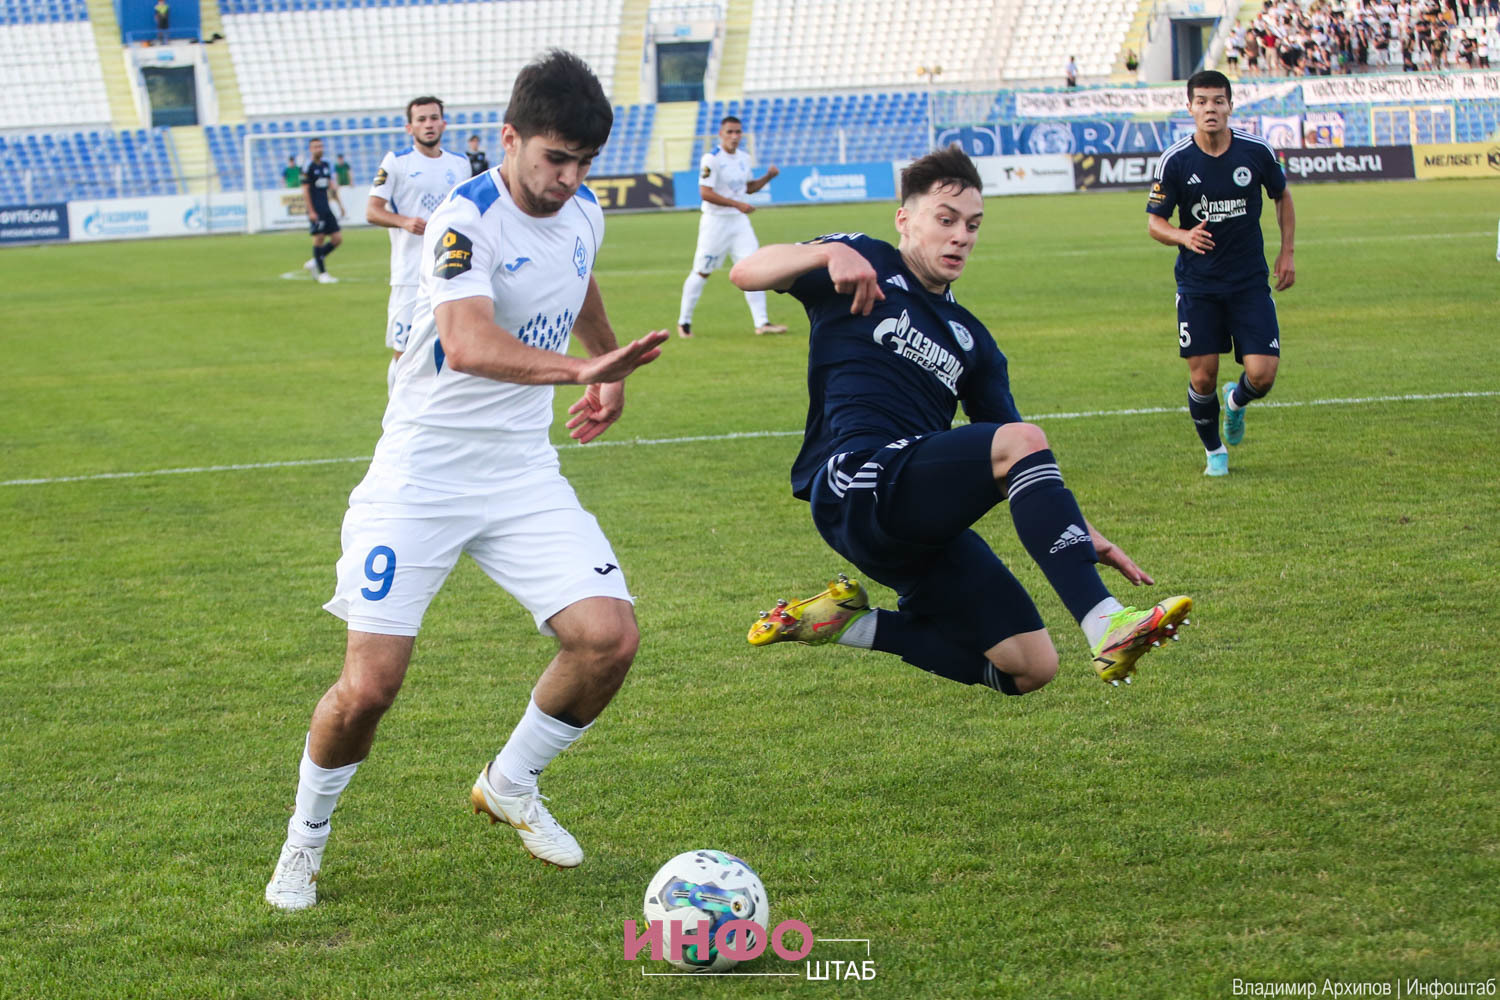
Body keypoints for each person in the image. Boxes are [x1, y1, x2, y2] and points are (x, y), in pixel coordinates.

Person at [264, 50, 669, 912]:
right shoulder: (465, 219)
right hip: (421, 476)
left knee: (609, 637)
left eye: (584, 163)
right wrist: (583, 366)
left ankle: (510, 781)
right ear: (510, 139)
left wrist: (610, 372)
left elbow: (580, 273)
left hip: (521, 472)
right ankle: (304, 841)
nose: (568, 180)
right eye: (554, 159)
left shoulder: (584, 207)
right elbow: (470, 343)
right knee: (369, 687)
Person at [728, 146, 1192, 699]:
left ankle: (850, 624)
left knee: (1029, 667)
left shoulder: (973, 339)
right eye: (945, 220)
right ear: (905, 219)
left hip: (915, 520)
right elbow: (745, 272)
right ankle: (1105, 623)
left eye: (972, 225)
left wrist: (1080, 532)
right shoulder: (864, 259)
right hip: (855, 480)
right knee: (1020, 442)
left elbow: (1022, 462)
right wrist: (827, 253)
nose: (961, 236)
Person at [1146, 70, 1294, 478]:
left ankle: (1236, 402)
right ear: (1189, 107)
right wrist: (1183, 236)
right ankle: (1215, 451)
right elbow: (1154, 223)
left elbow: (1282, 196)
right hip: (1199, 286)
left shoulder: (1255, 151)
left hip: (1249, 283)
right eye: (1203, 102)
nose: (1211, 108)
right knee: (1203, 375)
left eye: (1218, 101)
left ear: (1231, 105)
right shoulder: (1175, 160)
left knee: (1262, 375)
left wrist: (1287, 252)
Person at [366, 96, 471, 390]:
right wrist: (404, 222)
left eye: (434, 118)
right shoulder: (396, 162)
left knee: (453, 347)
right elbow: (372, 210)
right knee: (404, 349)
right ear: (409, 127)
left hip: (451, 271)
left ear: (444, 123)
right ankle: (396, 419)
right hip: (410, 273)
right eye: (421, 119)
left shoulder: (460, 164)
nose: (428, 124)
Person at [675, 116, 786, 338]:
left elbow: (749, 187)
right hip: (715, 223)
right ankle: (684, 323)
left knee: (754, 269)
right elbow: (705, 192)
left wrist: (768, 177)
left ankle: (762, 322)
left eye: (738, 132)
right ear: (721, 134)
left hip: (739, 222)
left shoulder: (744, 158)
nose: (735, 137)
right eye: (730, 132)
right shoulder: (712, 159)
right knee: (702, 271)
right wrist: (737, 204)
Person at [300, 138, 346, 285]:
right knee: (319, 239)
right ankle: (323, 274)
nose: (318, 149)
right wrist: (311, 211)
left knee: (337, 238)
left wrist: (340, 205)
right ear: (310, 149)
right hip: (316, 209)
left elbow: (331, 188)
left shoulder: (326, 165)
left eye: (320, 146)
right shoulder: (308, 167)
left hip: (326, 207)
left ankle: (315, 261)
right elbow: (305, 191)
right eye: (315, 147)